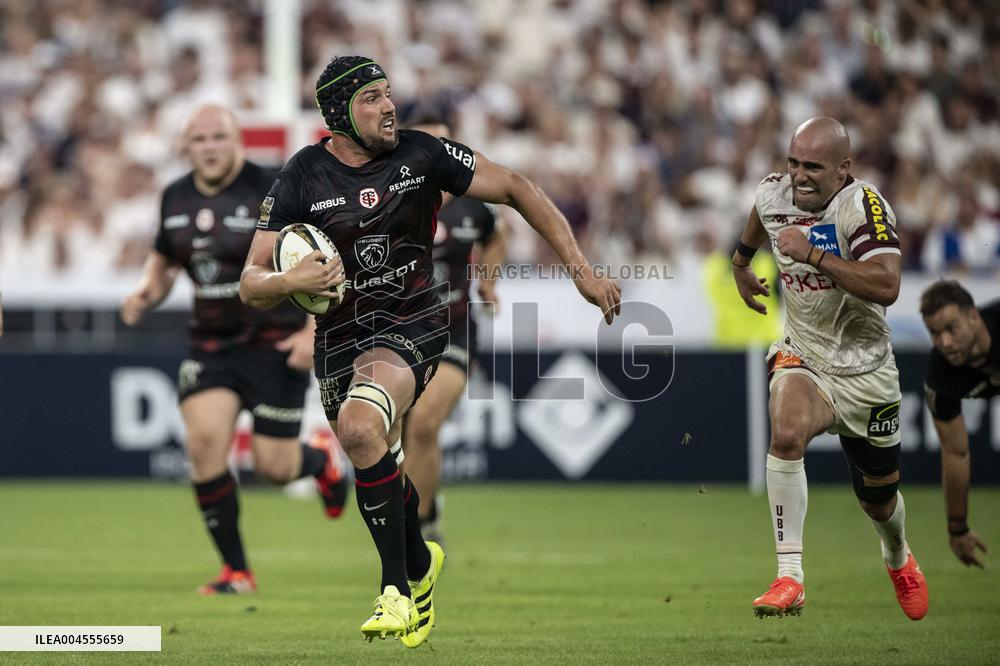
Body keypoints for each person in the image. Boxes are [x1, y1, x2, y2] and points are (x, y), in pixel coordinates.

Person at [240, 56, 620, 647]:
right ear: (340, 111)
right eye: (372, 97)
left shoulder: (423, 155)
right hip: (338, 336)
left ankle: (395, 589)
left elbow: (517, 188)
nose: (389, 105)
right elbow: (251, 281)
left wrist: (582, 271)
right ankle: (421, 561)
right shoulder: (301, 176)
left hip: (414, 321)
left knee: (363, 426)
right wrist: (291, 283)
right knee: (368, 445)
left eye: (389, 93)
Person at [121, 105, 348, 596]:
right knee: (203, 444)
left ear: (237, 141)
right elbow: (164, 262)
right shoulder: (174, 196)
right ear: (187, 147)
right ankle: (237, 572)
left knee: (273, 468)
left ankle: (320, 463)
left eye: (217, 136)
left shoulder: (273, 186)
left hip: (274, 340)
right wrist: (144, 292)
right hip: (211, 344)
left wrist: (313, 330)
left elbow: (319, 254)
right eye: (198, 138)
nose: (209, 146)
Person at [731, 116, 928, 620]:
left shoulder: (862, 206)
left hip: (868, 371)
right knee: (787, 431)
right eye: (793, 162)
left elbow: (887, 285)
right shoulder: (774, 194)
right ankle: (789, 577)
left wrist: (815, 255)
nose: (798, 175)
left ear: (843, 170)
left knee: (878, 502)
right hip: (806, 355)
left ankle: (898, 556)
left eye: (813, 166)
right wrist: (739, 264)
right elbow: (760, 215)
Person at [402, 119, 508, 544]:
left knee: (425, 424)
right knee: (397, 434)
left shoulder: (473, 202)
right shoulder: (393, 200)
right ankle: (421, 507)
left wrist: (488, 280)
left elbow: (497, 237)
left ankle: (422, 528)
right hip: (399, 331)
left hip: (454, 331)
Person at [920, 279, 998, 568]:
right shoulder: (940, 376)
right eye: (935, 333)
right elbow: (956, 452)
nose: (945, 342)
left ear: (974, 318)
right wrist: (957, 528)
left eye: (951, 328)